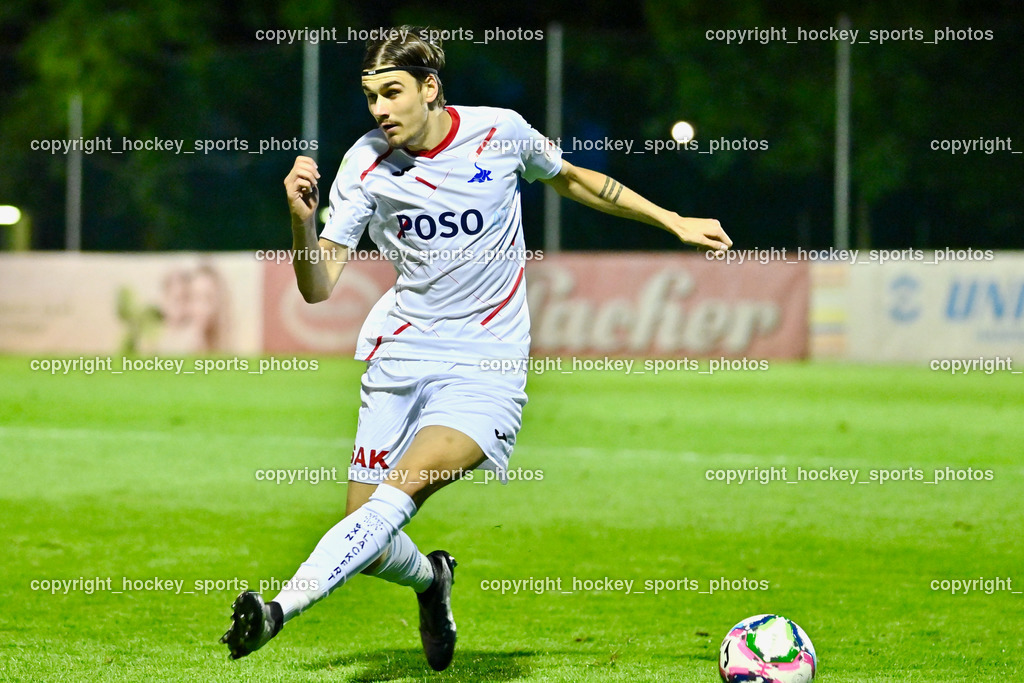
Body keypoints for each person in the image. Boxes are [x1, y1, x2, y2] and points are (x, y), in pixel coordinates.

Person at [221, 25, 731, 671]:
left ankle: (277, 611)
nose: (380, 109)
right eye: (371, 95)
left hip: (485, 364)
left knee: (391, 501)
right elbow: (318, 286)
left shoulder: (500, 132)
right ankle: (432, 581)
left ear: (431, 89)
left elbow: (572, 178)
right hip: (401, 354)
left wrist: (673, 220)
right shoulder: (364, 164)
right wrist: (299, 220)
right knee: (369, 537)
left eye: (393, 92)